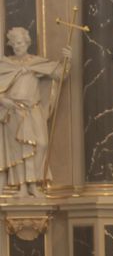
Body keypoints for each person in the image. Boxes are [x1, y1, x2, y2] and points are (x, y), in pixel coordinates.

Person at [0, 27, 69, 198]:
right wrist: (2, 100)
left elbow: (60, 74)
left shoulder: (36, 63)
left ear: (27, 43)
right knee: (20, 149)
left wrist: (67, 59)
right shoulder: (5, 64)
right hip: (13, 110)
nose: (17, 46)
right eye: (14, 43)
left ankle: (35, 181)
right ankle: (24, 186)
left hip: (33, 108)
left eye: (20, 42)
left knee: (41, 144)